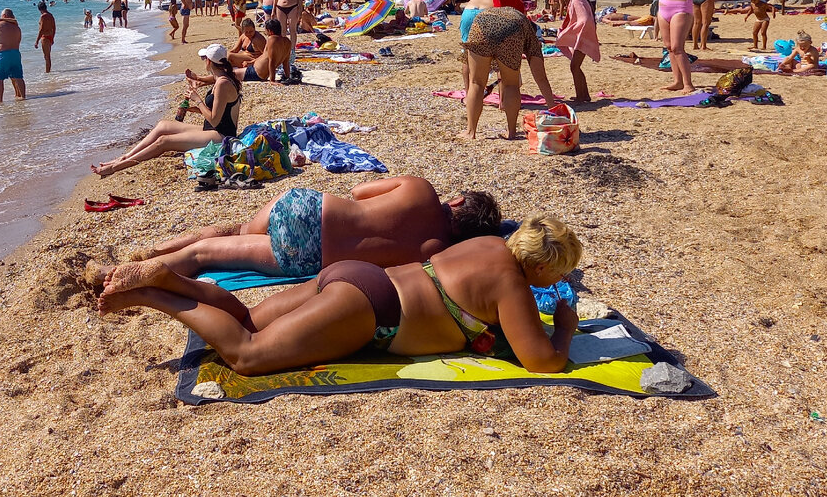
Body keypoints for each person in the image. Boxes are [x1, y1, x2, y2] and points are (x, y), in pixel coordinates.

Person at [96, 216, 582, 376]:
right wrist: (562, 329)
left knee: (247, 318)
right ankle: (152, 295)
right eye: (553, 276)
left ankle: (171, 280)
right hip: (375, 312)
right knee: (245, 354)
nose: (549, 284)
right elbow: (542, 362)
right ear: (539, 267)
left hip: (361, 276)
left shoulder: (489, 244)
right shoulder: (514, 285)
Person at [87, 177, 502, 285]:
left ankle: (138, 260)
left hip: (307, 208)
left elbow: (359, 191)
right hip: (308, 255)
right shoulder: (436, 252)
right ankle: (130, 271)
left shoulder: (422, 190)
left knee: (231, 232)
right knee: (211, 254)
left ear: (459, 203)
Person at [92, 44, 241, 178]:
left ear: (209, 61)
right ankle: (124, 157)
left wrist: (198, 101)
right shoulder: (221, 78)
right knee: (164, 125)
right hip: (212, 129)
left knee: (164, 142)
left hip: (221, 136)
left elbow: (215, 119)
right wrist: (194, 108)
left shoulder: (222, 83)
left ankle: (117, 167)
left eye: (204, 59)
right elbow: (219, 112)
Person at [460, 5, 557, 140]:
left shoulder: (519, 20)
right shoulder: (530, 35)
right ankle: (511, 132)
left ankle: (471, 132)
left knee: (476, 83)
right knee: (511, 84)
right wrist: (553, 109)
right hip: (512, 28)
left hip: (481, 22)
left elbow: (466, 65)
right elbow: (541, 77)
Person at [650, 0, 701, 92]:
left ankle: (688, 83)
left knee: (678, 47)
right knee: (669, 47)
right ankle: (677, 81)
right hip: (664, 8)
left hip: (681, 9)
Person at [552, 0, 600, 103]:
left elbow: (584, 20)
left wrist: (572, 32)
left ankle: (582, 96)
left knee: (574, 66)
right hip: (584, 36)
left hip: (583, 37)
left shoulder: (577, 0)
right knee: (575, 66)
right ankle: (584, 95)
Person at [0, 9, 26, 102]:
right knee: (19, 77)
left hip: (3, 54)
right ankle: (23, 97)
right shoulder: (17, 27)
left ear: (4, 16)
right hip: (16, 53)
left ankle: (0, 101)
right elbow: (19, 40)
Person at [35, 0, 56, 73]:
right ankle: (48, 72)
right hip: (50, 36)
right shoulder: (51, 15)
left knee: (47, 57)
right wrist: (53, 37)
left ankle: (48, 73)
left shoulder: (43, 16)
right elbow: (54, 27)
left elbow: (41, 30)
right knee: (47, 56)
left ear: (40, 9)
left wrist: (36, 41)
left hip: (45, 37)